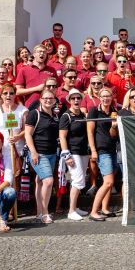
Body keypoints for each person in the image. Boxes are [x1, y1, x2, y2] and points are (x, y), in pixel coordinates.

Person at [0, 83, 27, 201]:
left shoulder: (22, 110)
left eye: (11, 93)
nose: (8, 96)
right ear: (1, 95)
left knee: (14, 176)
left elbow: (26, 129)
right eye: (5, 93)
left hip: (15, 149)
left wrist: (18, 136)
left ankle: (10, 207)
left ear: (15, 95)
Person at [24, 88, 59, 224]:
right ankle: (45, 213)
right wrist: (33, 151)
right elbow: (27, 134)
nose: (48, 100)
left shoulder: (55, 115)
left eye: (51, 98)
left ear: (55, 101)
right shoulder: (34, 114)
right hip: (38, 153)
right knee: (48, 181)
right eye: (45, 98)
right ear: (40, 100)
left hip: (51, 153)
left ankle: (39, 212)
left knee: (40, 181)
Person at [87, 89, 119, 221]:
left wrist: (114, 126)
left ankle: (105, 208)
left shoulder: (113, 110)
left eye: (108, 96)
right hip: (101, 150)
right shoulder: (94, 110)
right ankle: (94, 212)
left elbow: (113, 134)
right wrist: (93, 150)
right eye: (103, 96)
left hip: (112, 149)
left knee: (110, 183)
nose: (106, 98)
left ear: (112, 97)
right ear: (99, 97)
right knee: (108, 182)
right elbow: (89, 131)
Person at [58, 89, 90, 221]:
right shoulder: (66, 116)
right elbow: (62, 136)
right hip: (73, 152)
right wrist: (67, 155)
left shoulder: (82, 114)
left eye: (78, 98)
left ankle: (75, 207)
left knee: (79, 180)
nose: (76, 100)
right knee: (77, 180)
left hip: (83, 151)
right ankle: (71, 211)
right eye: (73, 98)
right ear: (69, 100)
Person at [15, 44, 56, 109]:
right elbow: (18, 91)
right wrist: (36, 88)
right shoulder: (24, 70)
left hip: (48, 107)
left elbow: (57, 88)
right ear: (34, 54)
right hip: (31, 107)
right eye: (39, 52)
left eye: (44, 52)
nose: (42, 54)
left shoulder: (52, 70)